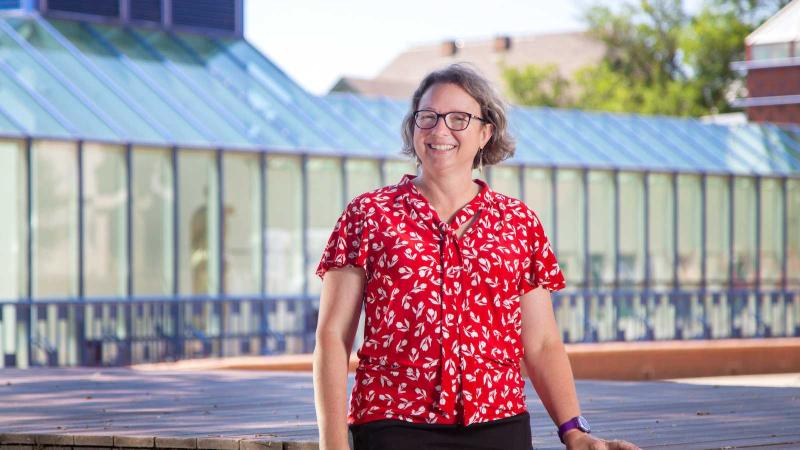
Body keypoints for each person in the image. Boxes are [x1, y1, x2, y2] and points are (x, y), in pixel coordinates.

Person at [313, 64, 640, 450]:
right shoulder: (369, 215)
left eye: (458, 119)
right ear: (413, 127)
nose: (439, 130)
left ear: (485, 132)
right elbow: (333, 337)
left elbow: (541, 344)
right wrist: (332, 445)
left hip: (500, 424)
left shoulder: (519, 223)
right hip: (395, 425)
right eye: (428, 117)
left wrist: (574, 429)